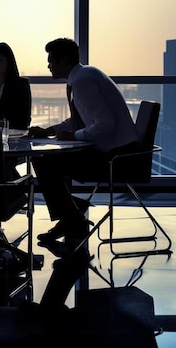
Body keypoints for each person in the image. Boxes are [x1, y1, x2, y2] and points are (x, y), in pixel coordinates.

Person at [28, 37, 139, 245]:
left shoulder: (82, 81)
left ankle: (73, 217)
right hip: (115, 151)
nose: (48, 65)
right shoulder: (83, 75)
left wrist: (74, 135)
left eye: (51, 60)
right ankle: (72, 213)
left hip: (116, 158)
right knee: (47, 160)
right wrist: (50, 130)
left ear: (63, 60)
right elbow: (78, 119)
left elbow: (105, 125)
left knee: (45, 162)